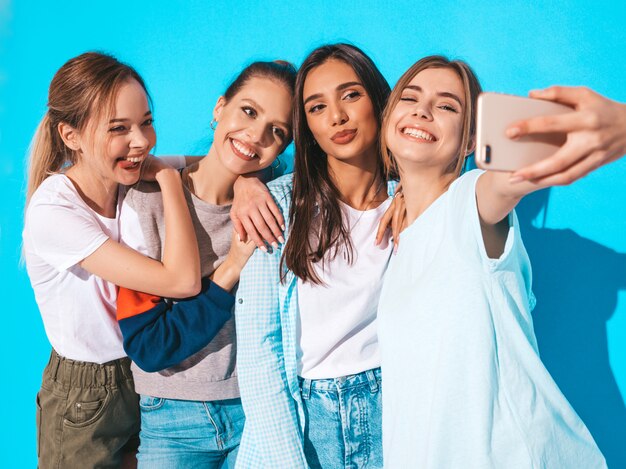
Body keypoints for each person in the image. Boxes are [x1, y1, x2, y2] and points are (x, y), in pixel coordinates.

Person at [377, 55, 607, 468]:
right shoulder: (397, 239)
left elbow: (521, 173)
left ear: (469, 142)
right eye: (409, 98)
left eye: (447, 105)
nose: (423, 110)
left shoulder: (472, 198)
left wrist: (606, 125)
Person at [23, 52, 201, 468]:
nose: (141, 141)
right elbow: (181, 281)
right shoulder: (53, 211)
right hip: (84, 396)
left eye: (147, 122)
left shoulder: (128, 175)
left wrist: (247, 186)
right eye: (119, 128)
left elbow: (222, 168)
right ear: (71, 136)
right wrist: (171, 180)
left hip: (144, 376)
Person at [116, 60, 296, 469]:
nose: (256, 136)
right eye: (248, 111)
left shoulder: (275, 203)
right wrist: (232, 264)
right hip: (171, 418)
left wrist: (251, 181)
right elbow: (150, 346)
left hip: (257, 411)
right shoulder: (146, 202)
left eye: (277, 131)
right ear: (220, 107)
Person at [234, 43, 393, 469]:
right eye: (317, 106)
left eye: (351, 95)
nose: (337, 117)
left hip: (397, 405)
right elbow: (259, 351)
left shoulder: (415, 203)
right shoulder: (279, 206)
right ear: (306, 124)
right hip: (310, 420)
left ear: (379, 100)